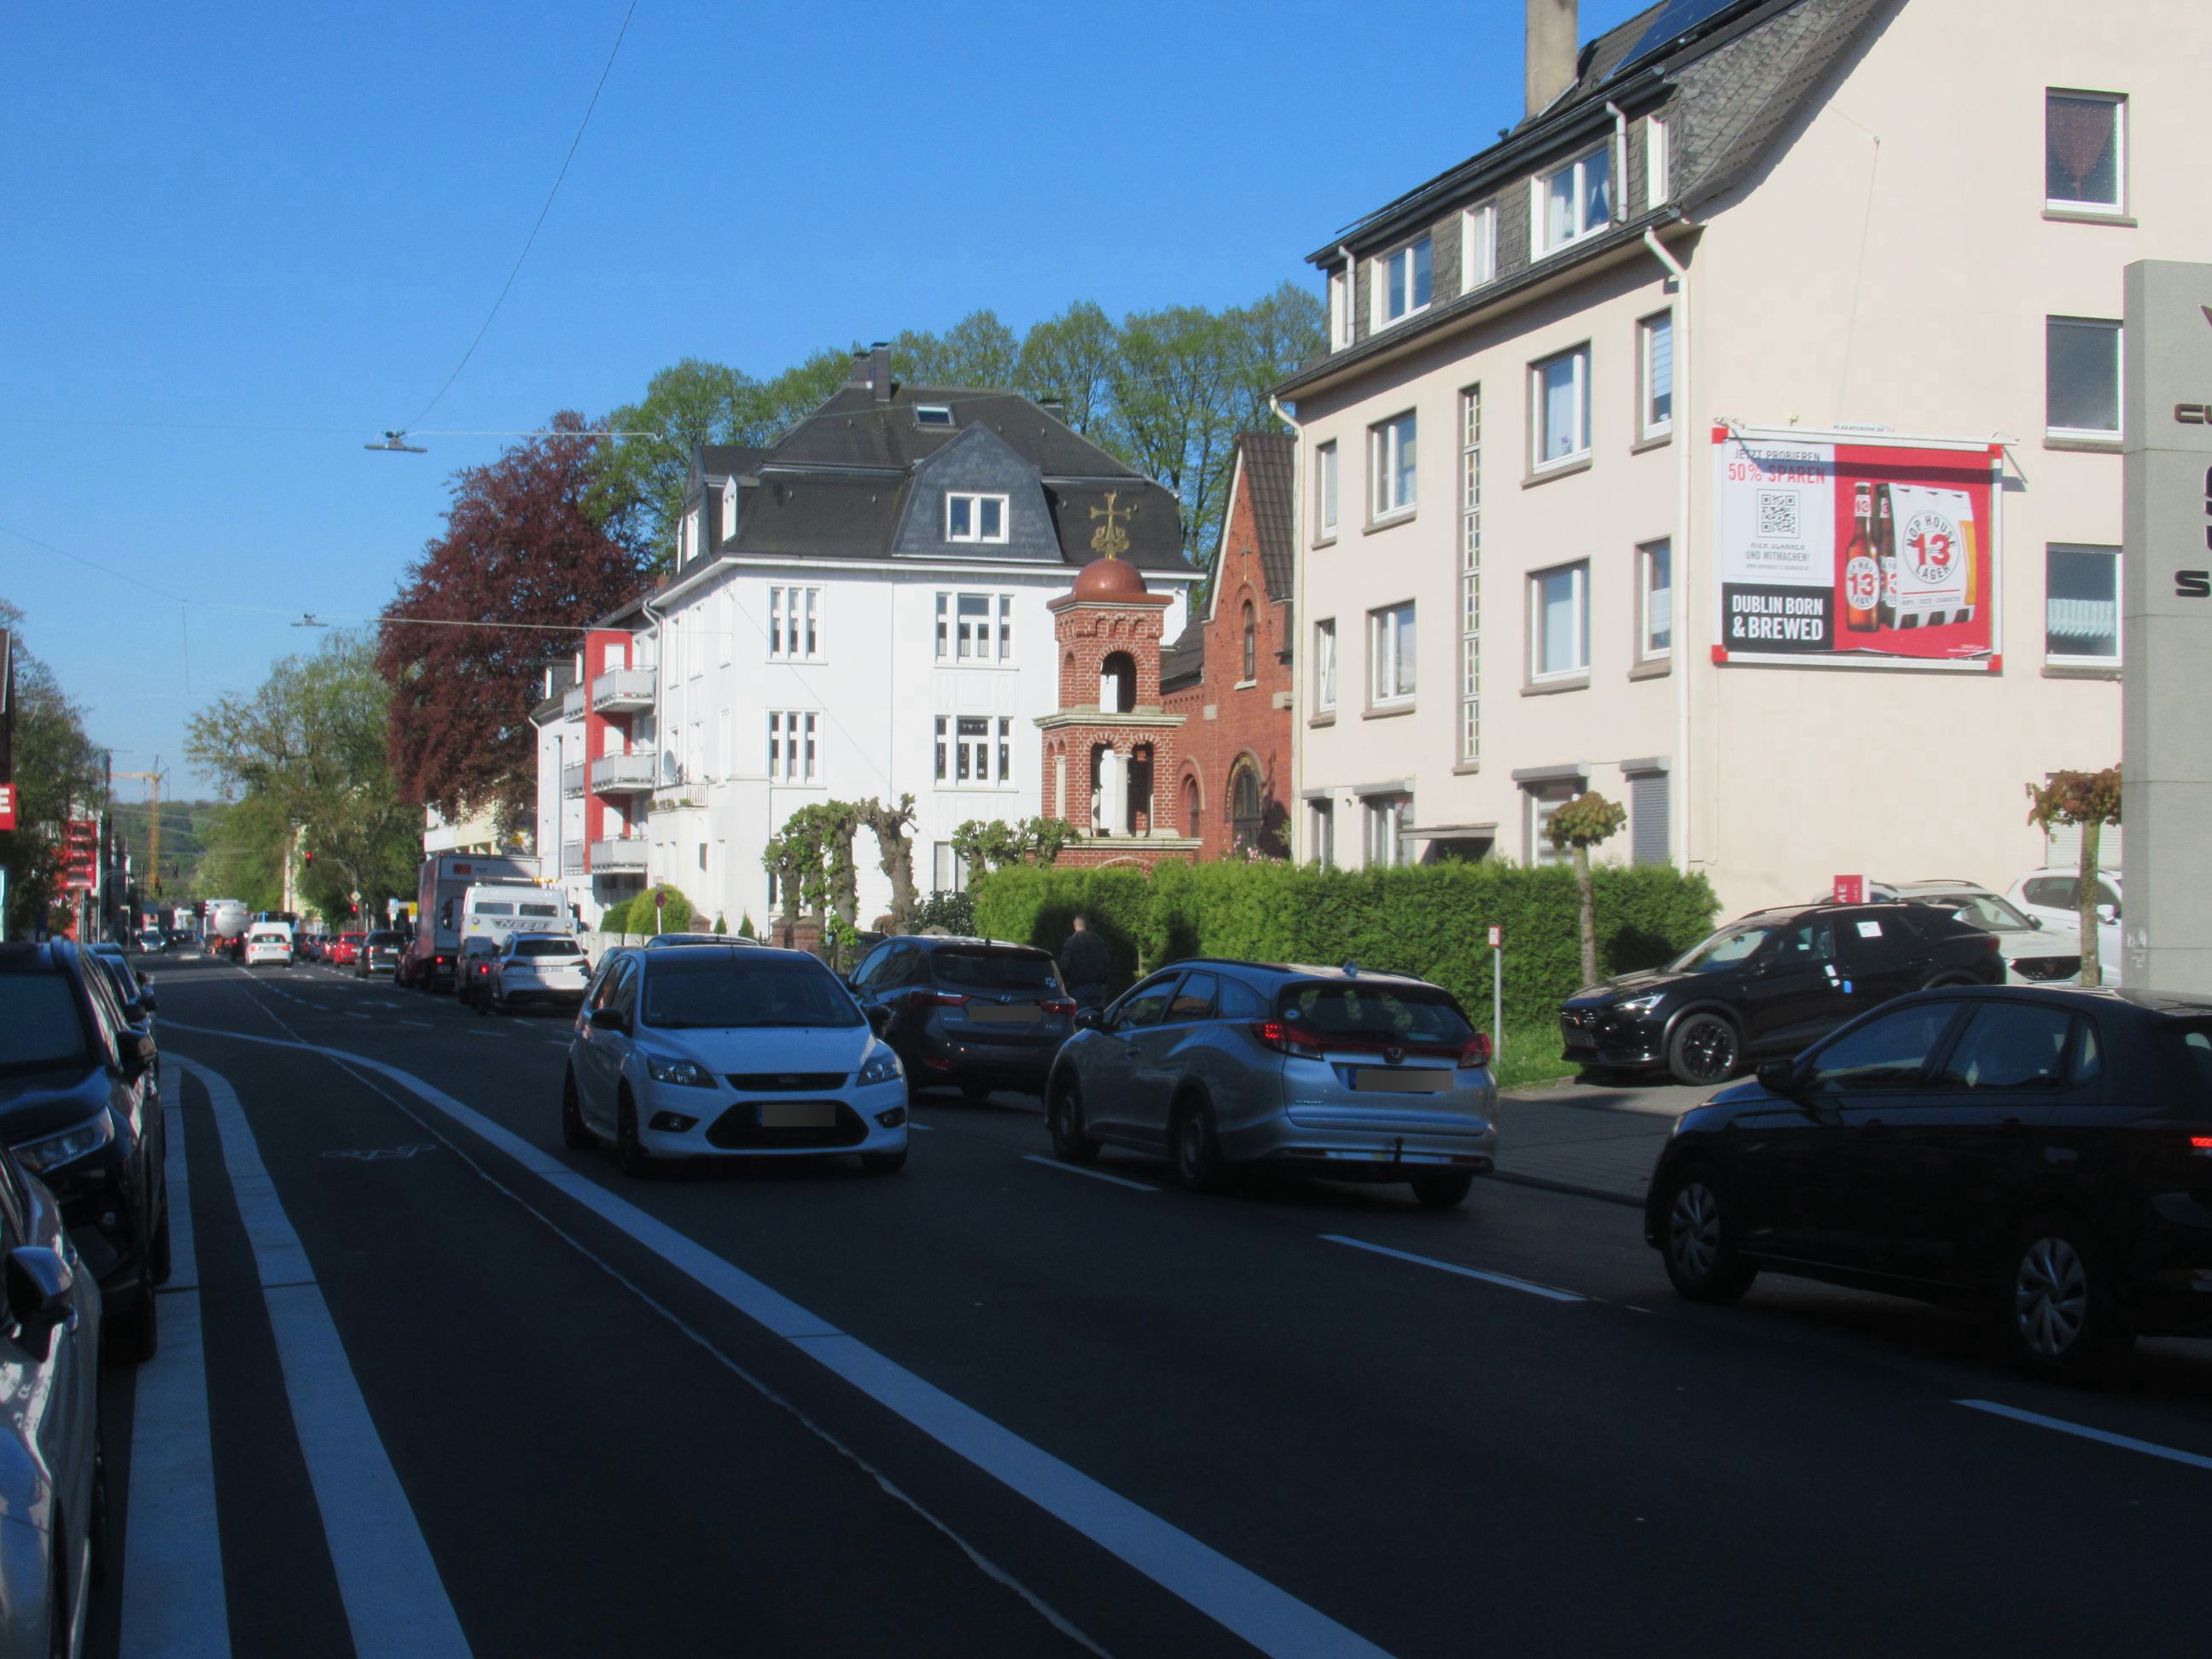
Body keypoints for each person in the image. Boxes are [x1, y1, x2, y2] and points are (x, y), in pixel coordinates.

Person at [1058, 914, 1111, 1013]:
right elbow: (1107, 960)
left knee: (1081, 1017)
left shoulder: (1071, 941)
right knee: (1098, 1017)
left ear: (1075, 924)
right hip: (1097, 986)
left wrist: (1064, 984)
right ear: (1086, 924)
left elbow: (1064, 966)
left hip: (1078, 988)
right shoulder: (1098, 939)